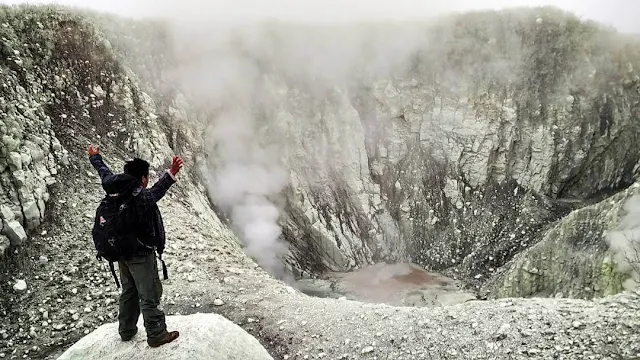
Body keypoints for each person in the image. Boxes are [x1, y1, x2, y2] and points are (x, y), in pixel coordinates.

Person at [88, 144, 183, 348]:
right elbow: (158, 190)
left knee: (129, 291)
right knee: (149, 293)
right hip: (140, 253)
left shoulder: (114, 187)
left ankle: (127, 330)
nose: (147, 182)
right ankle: (157, 334)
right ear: (142, 179)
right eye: (146, 177)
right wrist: (172, 172)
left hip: (120, 251)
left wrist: (95, 157)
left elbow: (103, 172)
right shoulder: (140, 196)